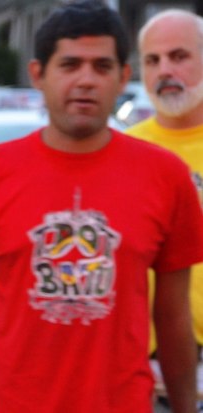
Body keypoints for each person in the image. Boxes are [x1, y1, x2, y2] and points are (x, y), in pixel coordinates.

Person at [0, 1, 203, 412]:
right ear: (38, 74)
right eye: (70, 64)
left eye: (101, 67)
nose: (86, 80)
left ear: (124, 76)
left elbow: (174, 317)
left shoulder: (167, 176)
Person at [126, 9, 203, 361]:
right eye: (152, 60)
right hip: (142, 361)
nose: (164, 71)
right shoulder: (123, 151)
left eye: (179, 56)